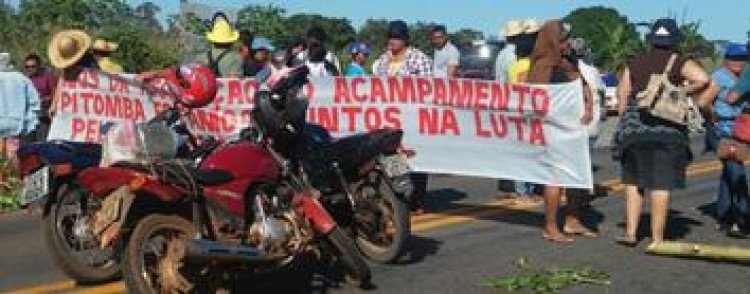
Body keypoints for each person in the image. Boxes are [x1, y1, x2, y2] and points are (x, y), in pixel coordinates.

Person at [615, 18, 716, 247]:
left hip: (634, 130)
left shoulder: (635, 62)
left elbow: (623, 93)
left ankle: (631, 232)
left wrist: (625, 121)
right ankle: (657, 239)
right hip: (666, 132)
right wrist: (680, 90)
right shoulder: (678, 62)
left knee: (633, 182)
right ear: (674, 41)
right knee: (660, 185)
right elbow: (704, 79)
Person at [527, 20, 595, 244]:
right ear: (551, 41)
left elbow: (582, 87)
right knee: (555, 179)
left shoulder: (568, 62)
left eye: (568, 39)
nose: (568, 44)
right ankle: (550, 227)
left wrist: (588, 106)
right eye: (562, 40)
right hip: (554, 132)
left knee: (576, 176)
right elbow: (536, 106)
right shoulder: (542, 68)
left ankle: (572, 220)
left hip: (574, 130)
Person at [374, 20, 432, 213]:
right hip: (389, 117)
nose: (392, 41)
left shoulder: (419, 58)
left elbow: (428, 86)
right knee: (393, 156)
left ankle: (418, 199)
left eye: (396, 37)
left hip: (413, 116)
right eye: (390, 37)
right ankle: (403, 195)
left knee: (415, 157)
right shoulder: (383, 60)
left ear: (405, 39)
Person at [711, 43, 750, 235]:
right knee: (737, 173)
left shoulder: (743, 76)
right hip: (723, 129)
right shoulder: (718, 77)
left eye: (742, 59)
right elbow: (712, 100)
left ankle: (724, 217)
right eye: (734, 59)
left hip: (740, 130)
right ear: (726, 59)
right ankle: (744, 218)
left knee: (728, 174)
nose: (738, 63)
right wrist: (712, 119)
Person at [0, 52, 40, 166]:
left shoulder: (21, 78)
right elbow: (34, 103)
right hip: (16, 123)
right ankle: (13, 181)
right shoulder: (21, 78)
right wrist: (28, 121)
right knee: (13, 155)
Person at [23, 54, 57, 141]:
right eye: (27, 67)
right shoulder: (24, 79)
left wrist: (43, 99)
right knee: (28, 144)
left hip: (43, 115)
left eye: (32, 66)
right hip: (28, 116)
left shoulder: (48, 76)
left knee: (42, 142)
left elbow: (56, 94)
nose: (29, 69)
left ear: (38, 66)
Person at [197, 13, 243, 78]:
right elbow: (235, 81)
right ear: (231, 41)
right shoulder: (236, 58)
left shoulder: (201, 58)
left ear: (213, 40)